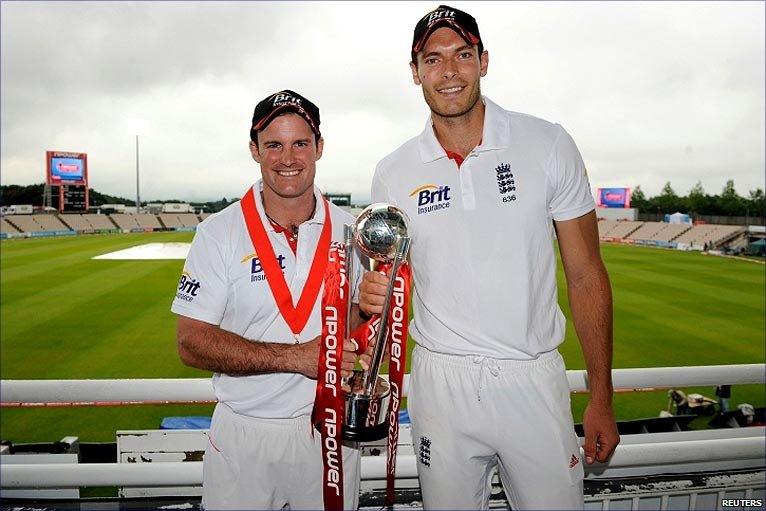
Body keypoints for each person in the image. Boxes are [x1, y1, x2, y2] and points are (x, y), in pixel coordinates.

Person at [359, 6, 620, 509]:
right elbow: (383, 288)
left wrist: (601, 396)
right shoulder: (393, 171)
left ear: (483, 60)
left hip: (533, 377)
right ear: (415, 72)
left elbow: (586, 274)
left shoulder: (547, 143)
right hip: (442, 386)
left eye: (462, 55)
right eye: (432, 60)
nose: (449, 72)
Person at [171, 90, 362, 510]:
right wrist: (294, 358)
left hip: (329, 430)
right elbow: (190, 342)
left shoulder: (353, 231)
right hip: (245, 435)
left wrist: (368, 310)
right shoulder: (219, 232)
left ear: (320, 148)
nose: (288, 157)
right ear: (254, 150)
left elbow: (358, 328)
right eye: (273, 145)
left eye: (300, 143)